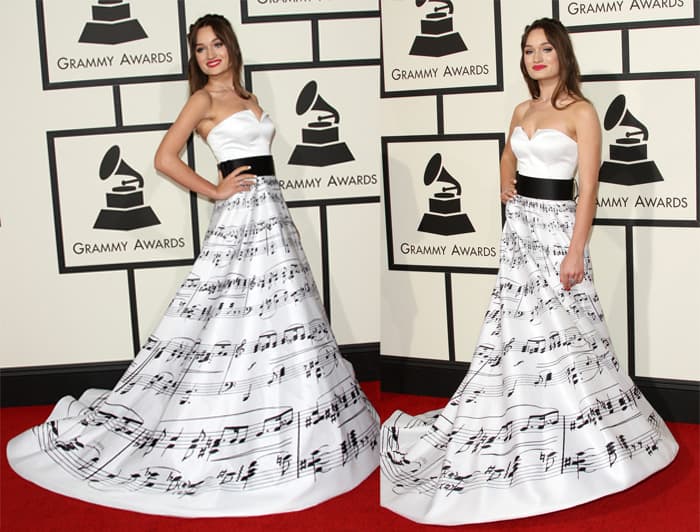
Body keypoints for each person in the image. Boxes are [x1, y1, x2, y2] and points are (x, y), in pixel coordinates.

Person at [7, 13, 379, 517]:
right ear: (195, 57)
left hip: (273, 211)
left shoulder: (248, 99)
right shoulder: (202, 100)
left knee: (279, 315)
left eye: (217, 44)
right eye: (201, 48)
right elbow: (164, 157)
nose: (210, 54)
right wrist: (215, 189)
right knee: (226, 315)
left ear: (231, 47)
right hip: (241, 214)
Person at [379, 17, 678, 525]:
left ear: (562, 54)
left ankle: (584, 428)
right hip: (518, 232)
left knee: (568, 333)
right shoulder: (521, 109)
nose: (536, 58)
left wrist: (576, 250)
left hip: (560, 229)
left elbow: (590, 189)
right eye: (528, 51)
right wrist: (504, 185)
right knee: (516, 329)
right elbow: (509, 155)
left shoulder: (582, 112)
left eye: (545, 49)